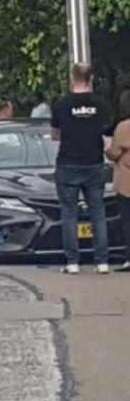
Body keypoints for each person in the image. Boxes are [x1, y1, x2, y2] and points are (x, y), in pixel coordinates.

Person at [51, 63, 113, 274]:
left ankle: (72, 262)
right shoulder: (101, 105)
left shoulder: (61, 105)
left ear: (71, 78)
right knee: (97, 213)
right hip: (94, 163)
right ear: (91, 78)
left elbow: (54, 134)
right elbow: (106, 132)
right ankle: (102, 262)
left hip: (68, 163)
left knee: (69, 214)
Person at [105, 90, 130, 271]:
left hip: (126, 182)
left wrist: (107, 146)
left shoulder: (123, 127)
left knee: (127, 222)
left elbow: (114, 153)